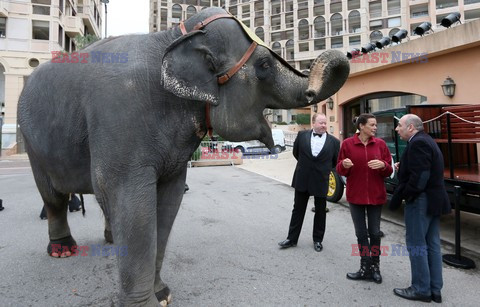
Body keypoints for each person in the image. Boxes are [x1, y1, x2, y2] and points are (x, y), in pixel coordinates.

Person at [390, 114, 451, 303]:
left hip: (420, 201)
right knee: (432, 245)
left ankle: (420, 289)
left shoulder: (418, 143)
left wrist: (407, 195)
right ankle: (434, 289)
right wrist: (405, 167)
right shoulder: (426, 141)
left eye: (399, 125)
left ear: (410, 128)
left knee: (417, 245)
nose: (396, 129)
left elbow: (420, 177)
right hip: (432, 200)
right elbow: (423, 169)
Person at [336, 113, 392, 284]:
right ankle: (364, 267)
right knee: (361, 234)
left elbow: (389, 170)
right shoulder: (347, 144)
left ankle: (375, 267)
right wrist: (344, 165)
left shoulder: (381, 145)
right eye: (372, 125)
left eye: (376, 125)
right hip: (356, 196)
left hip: (376, 195)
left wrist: (383, 165)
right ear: (361, 126)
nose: (375, 128)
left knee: (375, 233)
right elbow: (339, 168)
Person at [278, 113, 340, 252]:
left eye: (325, 123)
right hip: (303, 177)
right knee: (298, 209)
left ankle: (318, 240)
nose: (324, 125)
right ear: (313, 123)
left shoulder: (334, 142)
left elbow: (335, 161)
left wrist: (323, 170)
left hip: (321, 179)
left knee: (320, 211)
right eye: (321, 123)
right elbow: (296, 153)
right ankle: (291, 239)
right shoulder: (302, 136)